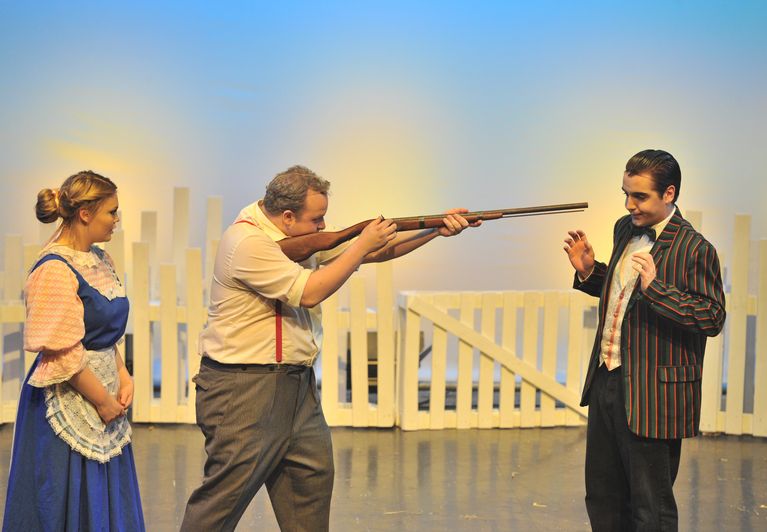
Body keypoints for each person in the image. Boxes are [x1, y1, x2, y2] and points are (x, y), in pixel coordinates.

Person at [180, 165, 477, 531]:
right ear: (288, 217)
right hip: (245, 389)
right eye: (316, 219)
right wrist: (362, 244)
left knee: (310, 487)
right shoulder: (247, 242)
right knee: (221, 503)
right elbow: (309, 292)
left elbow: (374, 253)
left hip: (296, 385)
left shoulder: (291, 237)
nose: (323, 226)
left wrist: (434, 230)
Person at [563, 149, 725, 531]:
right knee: (602, 495)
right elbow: (625, 294)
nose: (629, 204)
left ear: (669, 193)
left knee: (650, 506)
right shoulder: (624, 228)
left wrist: (657, 290)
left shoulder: (696, 248)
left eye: (639, 196)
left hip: (653, 393)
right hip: (607, 379)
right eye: (626, 194)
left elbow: (712, 316)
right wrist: (590, 272)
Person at [3, 171, 145, 531]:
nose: (116, 220)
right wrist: (103, 401)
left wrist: (123, 374)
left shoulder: (101, 259)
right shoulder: (54, 269)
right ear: (85, 214)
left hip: (104, 393)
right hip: (69, 396)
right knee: (64, 498)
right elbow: (62, 351)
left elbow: (103, 333)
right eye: (111, 212)